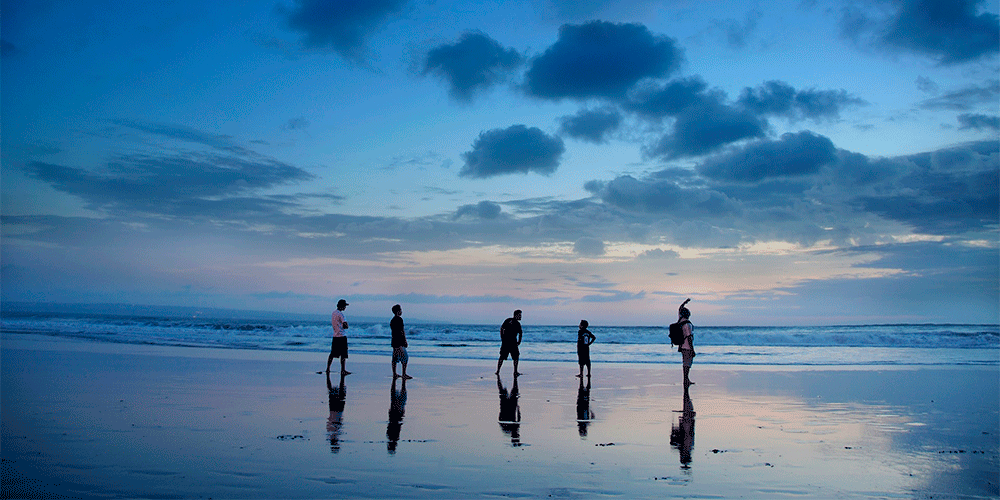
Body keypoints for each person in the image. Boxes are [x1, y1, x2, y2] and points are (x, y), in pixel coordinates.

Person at [326, 299, 351, 375]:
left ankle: (328, 368)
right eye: (345, 306)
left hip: (335, 336)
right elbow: (345, 325)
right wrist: (346, 326)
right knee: (343, 354)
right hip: (342, 336)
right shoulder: (341, 314)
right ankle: (343, 370)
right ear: (342, 306)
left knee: (332, 353)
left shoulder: (333, 313)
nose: (345, 307)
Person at [496, 309, 523, 375]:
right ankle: (498, 371)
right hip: (507, 342)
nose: (520, 317)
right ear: (516, 315)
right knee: (503, 356)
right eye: (519, 315)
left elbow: (520, 333)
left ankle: (515, 371)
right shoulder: (509, 321)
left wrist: (519, 341)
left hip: (512, 342)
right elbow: (502, 328)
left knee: (515, 357)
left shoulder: (517, 323)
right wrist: (502, 337)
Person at [390, 304, 412, 379]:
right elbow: (402, 331)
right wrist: (405, 341)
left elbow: (394, 332)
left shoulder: (392, 320)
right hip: (399, 342)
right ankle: (404, 374)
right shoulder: (399, 319)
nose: (401, 311)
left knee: (395, 358)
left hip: (394, 341)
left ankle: (394, 373)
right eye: (400, 310)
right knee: (405, 357)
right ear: (398, 311)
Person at [677, 298, 695, 386]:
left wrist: (684, 303)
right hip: (687, 347)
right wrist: (692, 349)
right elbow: (689, 337)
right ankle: (686, 379)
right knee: (687, 363)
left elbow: (680, 309)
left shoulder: (680, 321)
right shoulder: (687, 324)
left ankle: (686, 379)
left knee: (685, 362)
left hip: (682, 346)